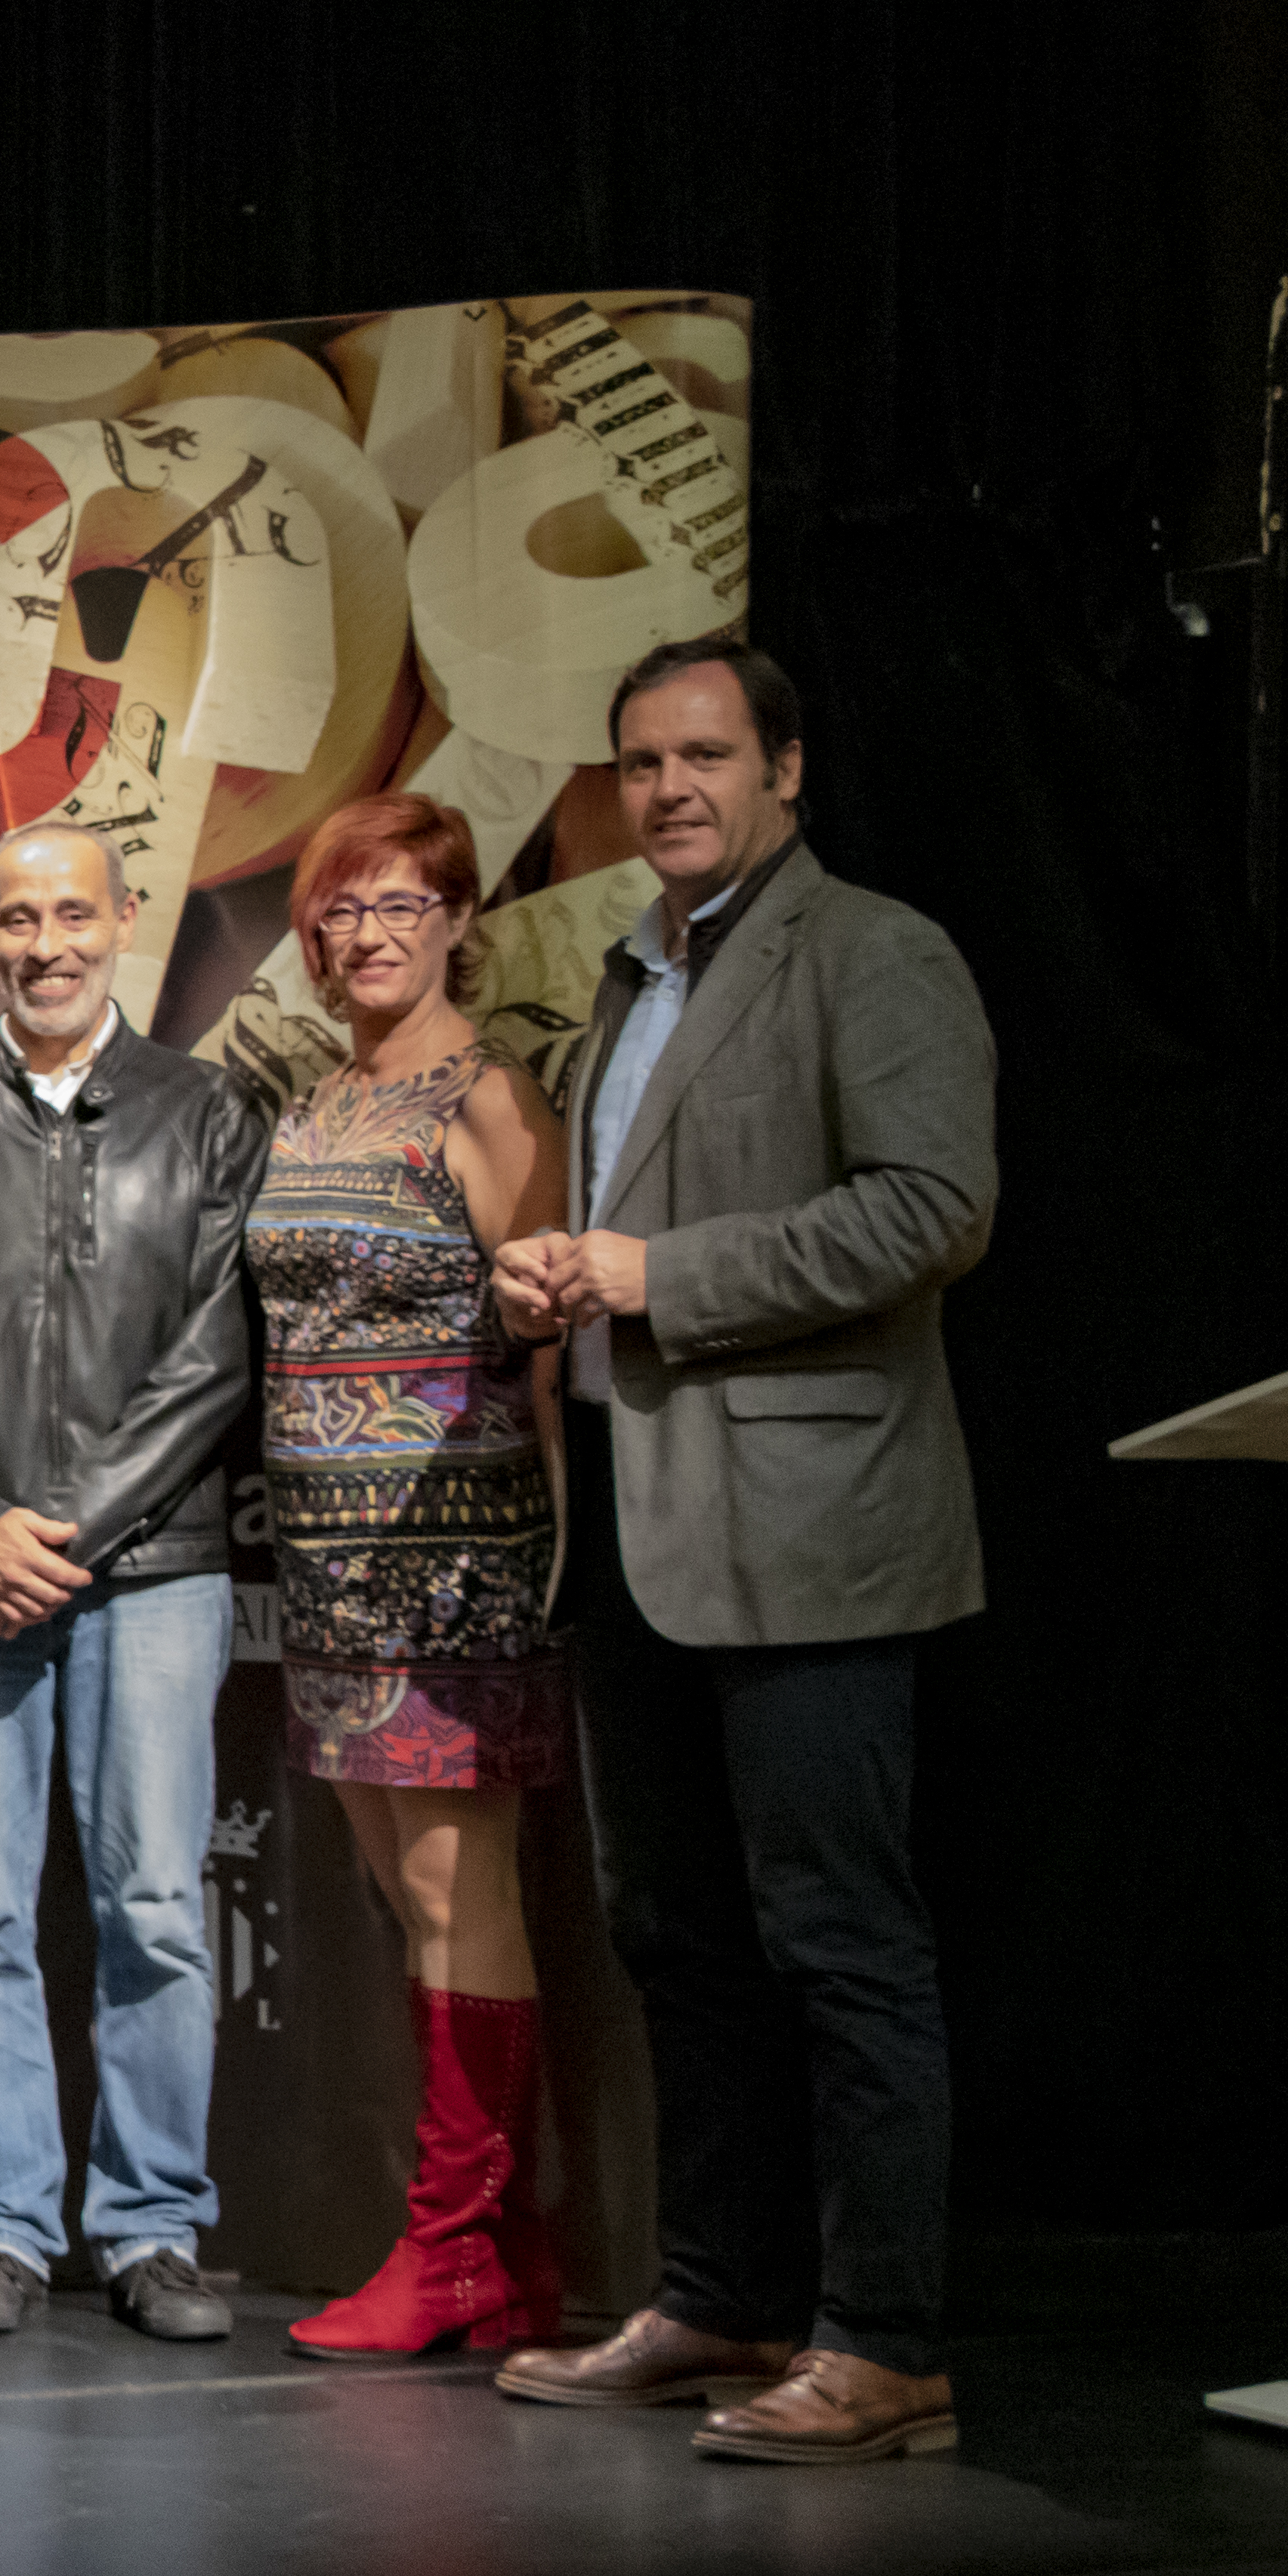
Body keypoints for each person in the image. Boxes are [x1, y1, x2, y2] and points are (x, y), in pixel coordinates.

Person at [489, 635, 996, 2465]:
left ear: (786, 767)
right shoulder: (635, 968)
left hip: (810, 1527)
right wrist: (567, 1277)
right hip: (637, 1517)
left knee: (837, 1939)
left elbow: (932, 1208)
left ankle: (888, 2340)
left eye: (705, 754)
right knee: (678, 1934)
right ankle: (723, 2294)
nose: (671, 788)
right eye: (643, 762)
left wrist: (658, 1275)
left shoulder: (875, 950)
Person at [0, 823, 267, 2348]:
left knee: (157, 1907)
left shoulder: (207, 1110)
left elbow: (219, 1356)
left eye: (71, 914)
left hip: (155, 1571)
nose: (45, 944)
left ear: (123, 920)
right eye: (16, 919)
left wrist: (68, 1533)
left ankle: (151, 2225)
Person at [243, 792, 576, 2361]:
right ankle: (506, 2253)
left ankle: (454, 2248)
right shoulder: (315, 1105)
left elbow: (552, 1334)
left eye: (400, 904)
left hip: (456, 1555)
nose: (368, 933)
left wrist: (565, 1554)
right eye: (341, 908)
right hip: (328, 1561)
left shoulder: (488, 1095)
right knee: (402, 1895)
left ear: (458, 922)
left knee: (458, 1892)